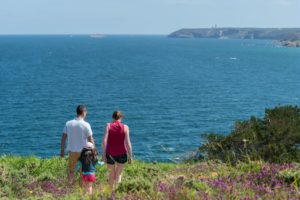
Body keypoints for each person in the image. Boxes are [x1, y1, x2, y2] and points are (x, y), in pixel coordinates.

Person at [60, 105, 95, 181]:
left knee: (71, 172)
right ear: (83, 112)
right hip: (83, 153)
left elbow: (63, 138)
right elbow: (91, 140)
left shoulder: (68, 123)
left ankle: (69, 188)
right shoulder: (86, 124)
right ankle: (81, 190)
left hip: (72, 152)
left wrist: (62, 150)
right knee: (83, 172)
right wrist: (94, 151)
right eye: (86, 112)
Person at [101, 110, 133, 190]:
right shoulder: (125, 127)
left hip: (110, 153)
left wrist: (103, 154)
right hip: (122, 153)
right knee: (118, 175)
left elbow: (104, 141)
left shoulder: (108, 126)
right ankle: (117, 193)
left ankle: (111, 193)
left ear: (113, 117)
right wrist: (130, 156)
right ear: (121, 117)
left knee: (111, 175)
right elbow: (128, 143)